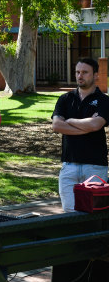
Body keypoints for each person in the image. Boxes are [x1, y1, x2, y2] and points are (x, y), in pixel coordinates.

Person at [51, 58, 109, 212]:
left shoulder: (104, 101)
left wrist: (69, 121)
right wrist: (87, 126)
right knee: (69, 215)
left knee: (95, 215)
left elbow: (96, 124)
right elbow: (56, 125)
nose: (80, 76)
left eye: (85, 72)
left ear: (96, 75)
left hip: (95, 166)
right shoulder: (65, 99)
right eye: (77, 72)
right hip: (69, 165)